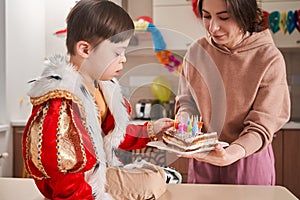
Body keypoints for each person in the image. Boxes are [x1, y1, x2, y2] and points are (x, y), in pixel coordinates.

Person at [22, 0, 173, 199]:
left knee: (153, 179)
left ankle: (167, 176)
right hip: (79, 191)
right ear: (85, 50)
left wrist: (151, 130)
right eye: (117, 52)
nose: (124, 59)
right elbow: (63, 173)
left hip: (96, 180)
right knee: (152, 183)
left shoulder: (101, 88)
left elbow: (114, 133)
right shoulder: (60, 104)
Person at [176, 0, 290, 185]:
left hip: (247, 157)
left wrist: (232, 153)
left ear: (246, 15)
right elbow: (188, 103)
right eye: (206, 16)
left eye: (224, 17)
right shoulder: (197, 52)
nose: (213, 27)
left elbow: (262, 126)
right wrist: (184, 123)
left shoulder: (269, 58)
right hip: (203, 157)